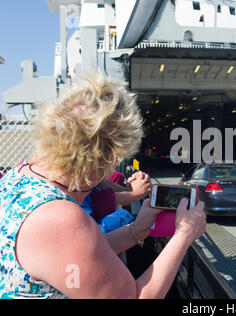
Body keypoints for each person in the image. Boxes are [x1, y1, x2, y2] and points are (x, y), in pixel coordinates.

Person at [0, 71, 206, 299]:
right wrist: (184, 235)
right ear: (109, 157)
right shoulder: (60, 217)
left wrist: (137, 229)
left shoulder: (20, 174)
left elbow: (78, 254)